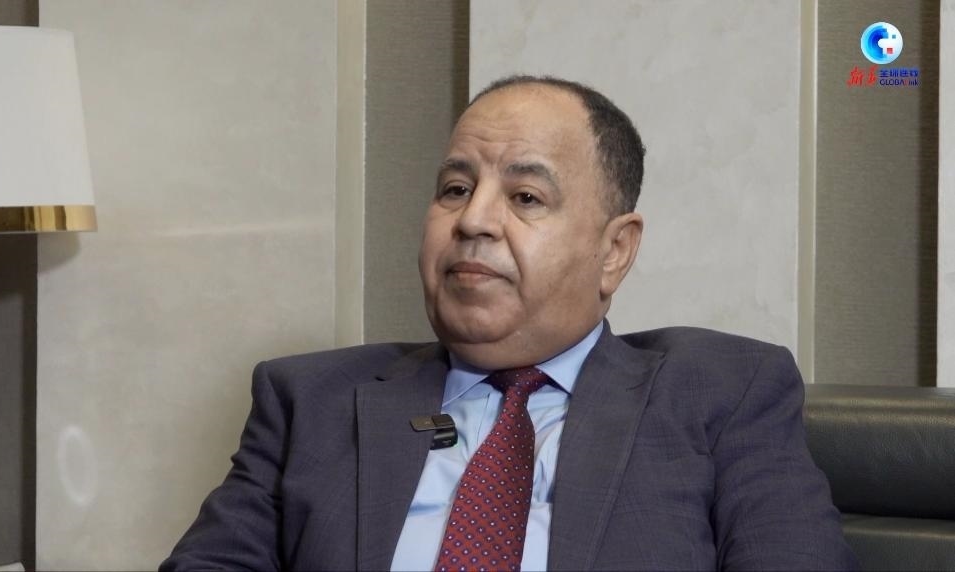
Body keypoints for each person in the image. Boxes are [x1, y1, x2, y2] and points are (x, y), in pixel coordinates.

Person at [161, 75, 857, 571]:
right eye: (455, 188)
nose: (472, 220)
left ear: (614, 251)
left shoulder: (722, 392)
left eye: (525, 197)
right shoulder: (308, 399)